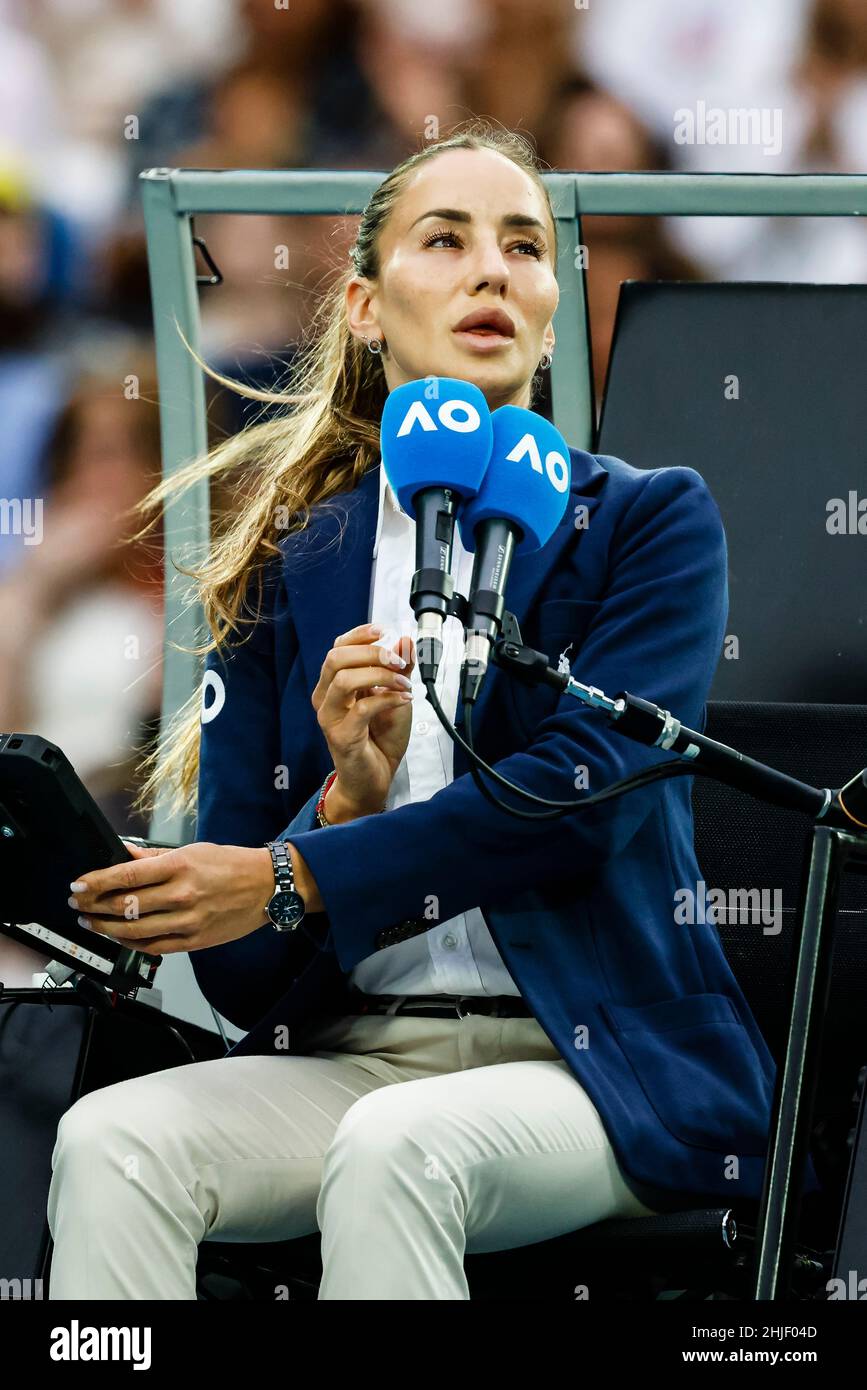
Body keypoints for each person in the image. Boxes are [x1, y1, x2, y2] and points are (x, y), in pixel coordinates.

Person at [46, 120, 812, 1302]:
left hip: (593, 1065)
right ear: (361, 305)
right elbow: (250, 984)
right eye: (443, 241)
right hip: (357, 1062)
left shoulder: (647, 520)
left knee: (395, 1153)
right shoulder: (287, 561)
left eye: (520, 246)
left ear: (552, 305)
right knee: (112, 1140)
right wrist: (341, 801)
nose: (490, 270)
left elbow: (579, 801)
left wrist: (296, 875)